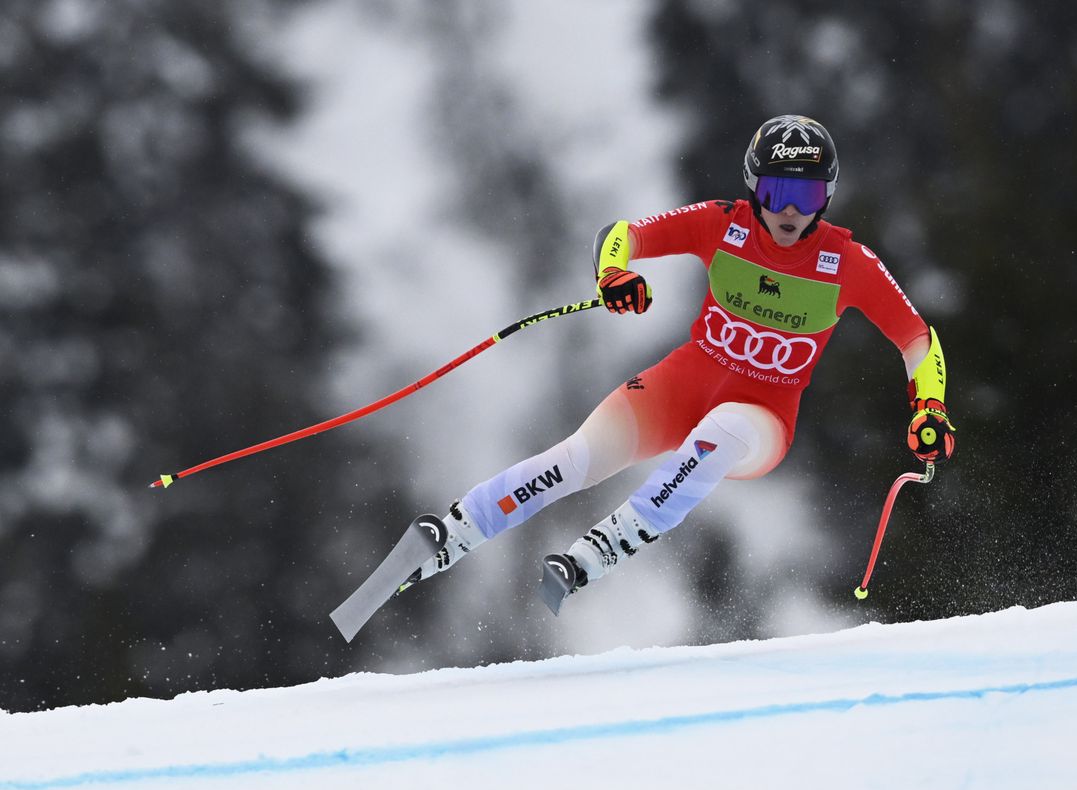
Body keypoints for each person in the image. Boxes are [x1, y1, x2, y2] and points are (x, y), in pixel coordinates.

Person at [404, 114, 956, 611]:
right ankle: (457, 530)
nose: (790, 211)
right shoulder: (723, 223)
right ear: (754, 188)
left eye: (806, 196)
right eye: (776, 191)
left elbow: (917, 339)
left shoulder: (849, 262)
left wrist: (929, 407)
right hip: (684, 382)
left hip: (763, 416)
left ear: (827, 197)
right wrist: (613, 274)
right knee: (576, 458)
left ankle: (597, 551)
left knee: (720, 432)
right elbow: (623, 235)